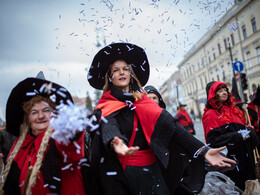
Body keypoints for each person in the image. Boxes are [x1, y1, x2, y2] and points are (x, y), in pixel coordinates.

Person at [87, 42, 236, 195]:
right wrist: (116, 141)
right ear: (110, 77)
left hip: (153, 169)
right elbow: (109, 125)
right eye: (116, 70)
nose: (121, 73)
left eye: (125, 69)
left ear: (131, 73)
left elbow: (172, 127)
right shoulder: (107, 105)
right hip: (125, 173)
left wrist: (203, 150)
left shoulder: (143, 101)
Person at [0, 77, 88, 195]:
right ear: (28, 119)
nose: (41, 116)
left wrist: (72, 126)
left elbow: (71, 145)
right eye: (34, 112)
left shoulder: (59, 137)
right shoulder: (21, 145)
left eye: (46, 110)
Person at [202, 81, 259, 191]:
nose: (224, 93)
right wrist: (238, 136)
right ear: (213, 94)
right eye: (220, 91)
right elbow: (213, 141)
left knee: (250, 186)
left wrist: (249, 131)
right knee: (238, 188)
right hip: (230, 160)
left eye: (225, 90)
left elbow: (242, 127)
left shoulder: (233, 109)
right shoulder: (210, 114)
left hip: (246, 156)